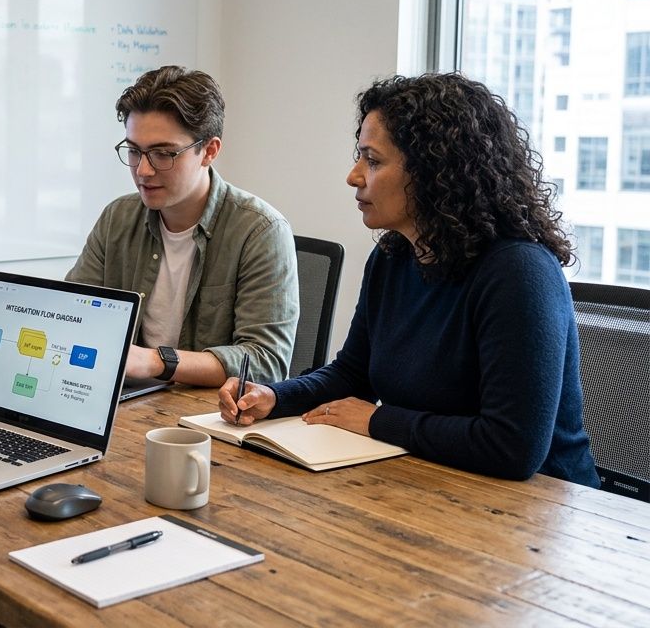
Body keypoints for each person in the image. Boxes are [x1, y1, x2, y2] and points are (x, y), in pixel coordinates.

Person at [221, 72, 599, 486]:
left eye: (373, 161)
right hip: (431, 478)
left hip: (545, 503)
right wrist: (274, 396)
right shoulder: (393, 255)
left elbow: (512, 447)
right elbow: (353, 375)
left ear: (435, 170)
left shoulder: (519, 272)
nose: (354, 176)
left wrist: (377, 420)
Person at [66, 66, 298, 387]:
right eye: (134, 151)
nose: (143, 170)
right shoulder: (117, 218)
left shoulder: (260, 231)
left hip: (206, 409)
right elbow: (73, 315)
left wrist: (155, 362)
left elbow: (265, 361)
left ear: (209, 151)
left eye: (163, 154)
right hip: (130, 400)